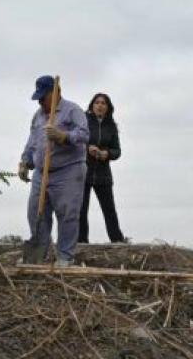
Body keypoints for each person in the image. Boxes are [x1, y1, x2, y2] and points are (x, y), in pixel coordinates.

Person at [18, 75, 90, 265]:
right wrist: (25, 162)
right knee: (35, 212)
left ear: (55, 92)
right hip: (42, 173)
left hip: (68, 171)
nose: (40, 101)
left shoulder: (73, 111)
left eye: (43, 97)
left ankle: (65, 256)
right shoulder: (38, 115)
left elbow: (84, 134)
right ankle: (39, 252)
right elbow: (32, 141)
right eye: (38, 98)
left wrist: (63, 136)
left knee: (67, 214)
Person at [78, 93, 125, 244]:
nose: (100, 105)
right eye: (97, 102)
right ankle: (81, 241)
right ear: (92, 105)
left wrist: (107, 153)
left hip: (103, 173)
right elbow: (75, 141)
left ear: (108, 107)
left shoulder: (111, 126)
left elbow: (117, 151)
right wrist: (87, 149)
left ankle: (117, 241)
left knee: (109, 209)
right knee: (81, 209)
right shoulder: (83, 121)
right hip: (84, 171)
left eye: (103, 103)